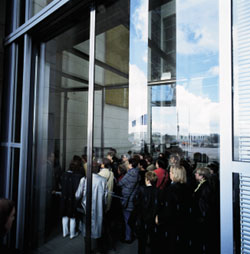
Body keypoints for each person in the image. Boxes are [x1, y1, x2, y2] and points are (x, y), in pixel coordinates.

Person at [155, 165, 192, 254]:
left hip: (171, 223)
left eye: (171, 172)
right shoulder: (187, 188)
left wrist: (159, 218)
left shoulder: (170, 190)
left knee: (170, 245)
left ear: (175, 174)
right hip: (183, 222)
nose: (169, 174)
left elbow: (168, 208)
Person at [75, 160, 108, 253]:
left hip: (86, 209)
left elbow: (77, 195)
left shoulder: (84, 180)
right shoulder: (103, 180)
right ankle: (97, 249)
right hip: (98, 209)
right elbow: (105, 199)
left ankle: (87, 250)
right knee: (97, 229)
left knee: (86, 231)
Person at [191, 167, 219, 254]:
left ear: (202, 176)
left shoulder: (205, 186)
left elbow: (204, 203)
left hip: (202, 217)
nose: (195, 174)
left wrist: (202, 216)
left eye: (197, 173)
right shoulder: (203, 185)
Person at [134, 171, 158, 254]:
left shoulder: (141, 189)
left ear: (147, 180)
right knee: (153, 238)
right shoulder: (157, 191)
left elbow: (136, 203)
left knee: (142, 240)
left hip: (142, 217)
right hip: (152, 217)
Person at [60, 155, 84, 239]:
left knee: (65, 215)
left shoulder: (64, 174)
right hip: (73, 199)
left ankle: (64, 232)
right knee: (73, 216)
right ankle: (72, 234)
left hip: (64, 198)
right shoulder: (78, 176)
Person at [118, 158, 140, 243]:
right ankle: (132, 234)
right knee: (132, 219)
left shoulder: (130, 174)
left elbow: (120, 183)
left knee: (127, 220)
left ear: (130, 165)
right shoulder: (137, 173)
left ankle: (128, 237)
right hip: (134, 199)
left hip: (128, 200)